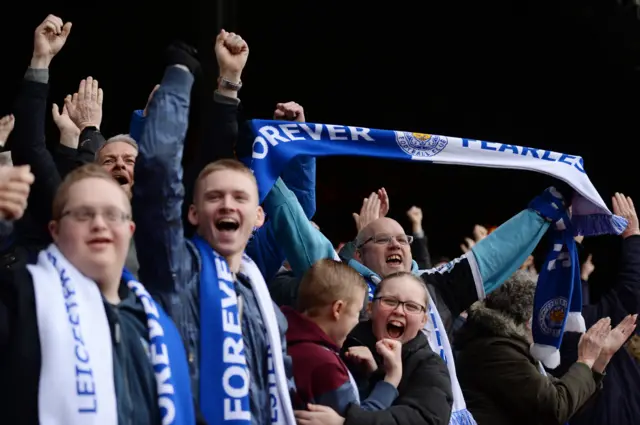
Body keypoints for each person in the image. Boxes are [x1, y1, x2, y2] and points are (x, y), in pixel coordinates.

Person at [0, 163, 194, 425]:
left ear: (130, 230)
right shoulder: (19, 298)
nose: (99, 224)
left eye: (113, 215)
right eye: (83, 215)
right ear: (54, 231)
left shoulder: (157, 326)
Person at [454, 269, 637, 425]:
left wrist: (600, 360)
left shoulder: (510, 347)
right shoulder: (495, 351)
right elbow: (556, 408)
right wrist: (585, 360)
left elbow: (570, 403)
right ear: (528, 319)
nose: (551, 326)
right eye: (544, 315)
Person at [295, 272, 453, 425]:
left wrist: (348, 422)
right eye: (390, 301)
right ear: (370, 308)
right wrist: (373, 374)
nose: (399, 311)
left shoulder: (429, 365)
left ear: (423, 321)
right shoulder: (342, 343)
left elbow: (426, 419)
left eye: (411, 307)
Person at [284, 259, 402, 414]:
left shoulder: (283, 338)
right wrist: (391, 379)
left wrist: (363, 376)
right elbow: (358, 419)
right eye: (357, 313)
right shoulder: (324, 364)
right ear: (338, 309)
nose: (357, 322)